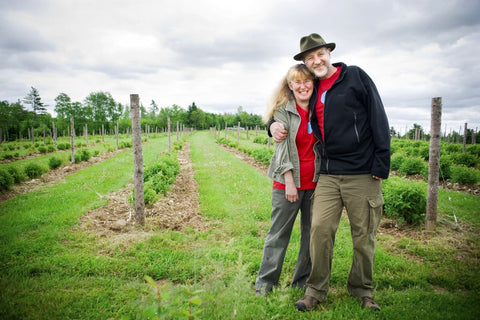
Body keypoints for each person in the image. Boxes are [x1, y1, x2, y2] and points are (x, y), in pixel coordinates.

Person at [269, 33, 390, 311]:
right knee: (320, 230)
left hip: (362, 172)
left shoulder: (356, 77)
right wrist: (271, 126)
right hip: (328, 174)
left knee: (363, 234)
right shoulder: (312, 87)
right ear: (306, 64)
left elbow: (378, 115)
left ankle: (363, 290)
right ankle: (315, 290)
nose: (316, 60)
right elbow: (287, 111)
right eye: (310, 58)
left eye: (320, 54)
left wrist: (381, 161)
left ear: (329, 53)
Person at [255, 64, 319, 296]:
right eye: (297, 82)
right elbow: (283, 151)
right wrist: (290, 182)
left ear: (313, 82)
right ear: (290, 86)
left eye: (306, 81)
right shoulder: (282, 112)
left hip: (316, 184)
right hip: (287, 183)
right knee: (278, 234)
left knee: (311, 236)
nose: (302, 86)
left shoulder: (320, 109)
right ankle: (265, 284)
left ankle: (302, 282)